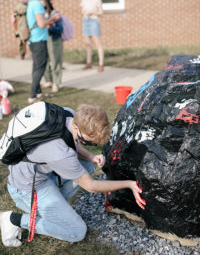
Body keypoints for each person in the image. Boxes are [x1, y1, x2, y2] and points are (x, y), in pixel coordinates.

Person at [0, 104, 146, 247]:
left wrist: (90, 157)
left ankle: (54, 208)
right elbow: (91, 186)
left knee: (88, 166)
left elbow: (71, 142)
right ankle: (13, 219)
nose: (91, 144)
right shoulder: (61, 153)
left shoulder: (69, 115)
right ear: (78, 128)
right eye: (90, 141)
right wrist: (130, 184)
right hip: (27, 189)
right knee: (76, 231)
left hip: (39, 174)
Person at [26, 0, 60, 104]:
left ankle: (38, 92)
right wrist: (52, 18)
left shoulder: (30, 2)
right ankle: (32, 95)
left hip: (33, 40)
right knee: (40, 67)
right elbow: (41, 24)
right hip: (39, 40)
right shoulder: (37, 4)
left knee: (36, 66)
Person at [80, 0, 104, 72]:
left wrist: (93, 12)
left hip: (94, 21)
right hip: (86, 21)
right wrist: (83, 12)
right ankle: (89, 63)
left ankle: (101, 64)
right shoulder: (84, 0)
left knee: (97, 43)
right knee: (87, 44)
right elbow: (82, 10)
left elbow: (101, 13)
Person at [41, 0, 63, 93]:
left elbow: (60, 29)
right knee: (45, 62)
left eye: (43, 5)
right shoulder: (39, 15)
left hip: (54, 40)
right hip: (43, 40)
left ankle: (56, 83)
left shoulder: (55, 13)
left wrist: (50, 28)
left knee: (55, 62)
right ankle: (48, 80)